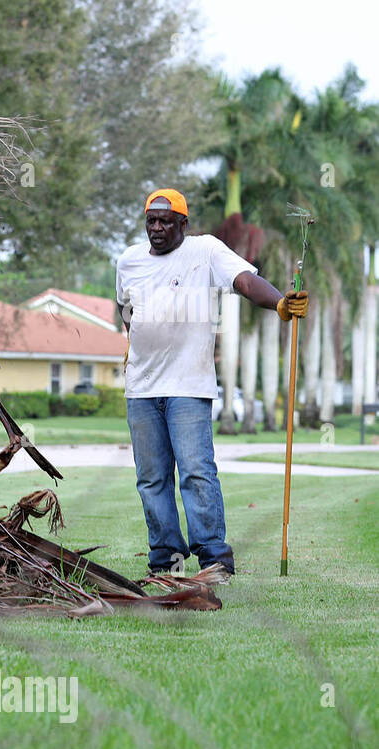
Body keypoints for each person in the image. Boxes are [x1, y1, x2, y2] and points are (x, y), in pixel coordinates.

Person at [115, 188, 308, 577]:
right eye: (151, 221)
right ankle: (165, 560)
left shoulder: (204, 251)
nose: (157, 228)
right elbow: (127, 310)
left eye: (166, 222)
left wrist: (280, 304)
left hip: (189, 385)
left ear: (183, 224)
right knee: (151, 479)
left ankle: (214, 559)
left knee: (196, 471)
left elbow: (245, 282)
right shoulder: (128, 260)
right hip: (141, 389)